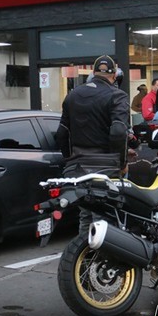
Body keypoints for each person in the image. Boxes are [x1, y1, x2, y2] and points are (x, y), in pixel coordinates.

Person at [56, 54, 130, 234]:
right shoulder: (117, 95)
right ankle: (103, 251)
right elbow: (119, 132)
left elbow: (61, 133)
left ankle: (84, 249)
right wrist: (121, 163)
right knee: (104, 217)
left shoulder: (73, 95)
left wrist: (69, 159)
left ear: (93, 72)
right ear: (114, 75)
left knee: (86, 214)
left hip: (78, 165)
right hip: (105, 165)